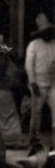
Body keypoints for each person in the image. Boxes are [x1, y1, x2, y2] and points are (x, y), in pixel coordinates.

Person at [25, 13, 55, 148]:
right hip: (38, 83)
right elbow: (28, 65)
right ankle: (33, 139)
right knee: (36, 113)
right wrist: (32, 82)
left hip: (52, 83)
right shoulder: (34, 45)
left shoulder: (54, 44)